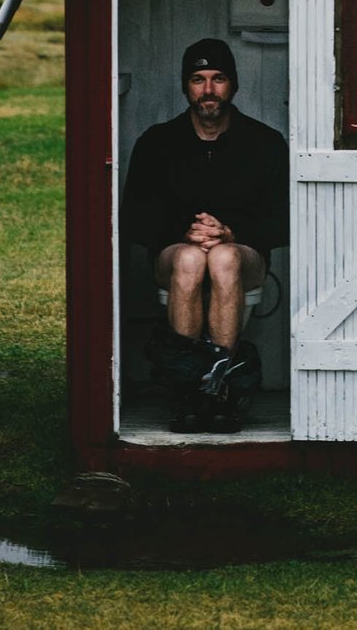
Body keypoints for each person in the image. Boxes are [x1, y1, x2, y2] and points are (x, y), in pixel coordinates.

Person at [121, 37, 288, 406]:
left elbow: (283, 221)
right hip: (176, 251)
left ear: (234, 85)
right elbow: (135, 218)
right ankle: (186, 387)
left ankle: (219, 386)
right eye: (198, 79)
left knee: (224, 257)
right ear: (185, 85)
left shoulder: (265, 143)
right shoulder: (158, 142)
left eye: (218, 78)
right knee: (191, 258)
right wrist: (184, 233)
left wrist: (231, 233)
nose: (209, 90)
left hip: (244, 254)